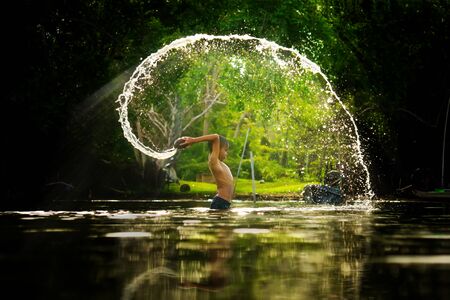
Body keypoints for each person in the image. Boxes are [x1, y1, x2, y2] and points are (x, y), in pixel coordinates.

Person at [175, 134, 233, 209]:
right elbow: (216, 137)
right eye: (225, 150)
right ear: (217, 148)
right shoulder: (214, 161)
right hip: (220, 202)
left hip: (225, 202)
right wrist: (193, 140)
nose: (226, 153)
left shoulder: (220, 164)